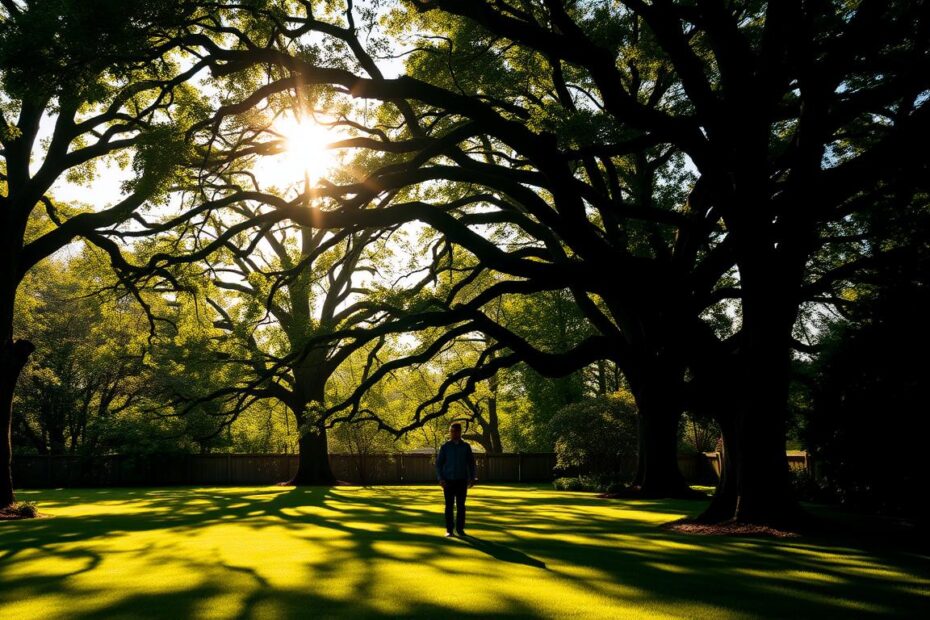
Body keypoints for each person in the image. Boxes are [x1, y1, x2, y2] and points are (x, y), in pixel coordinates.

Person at [435, 422, 477, 537]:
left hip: (461, 480)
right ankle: (449, 530)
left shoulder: (466, 447)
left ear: (460, 432)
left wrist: (473, 477)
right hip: (447, 481)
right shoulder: (445, 447)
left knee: (461, 506)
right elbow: (438, 464)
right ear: (450, 432)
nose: (453, 433)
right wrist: (440, 479)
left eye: (456, 431)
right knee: (449, 506)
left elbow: (471, 463)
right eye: (451, 431)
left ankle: (460, 529)